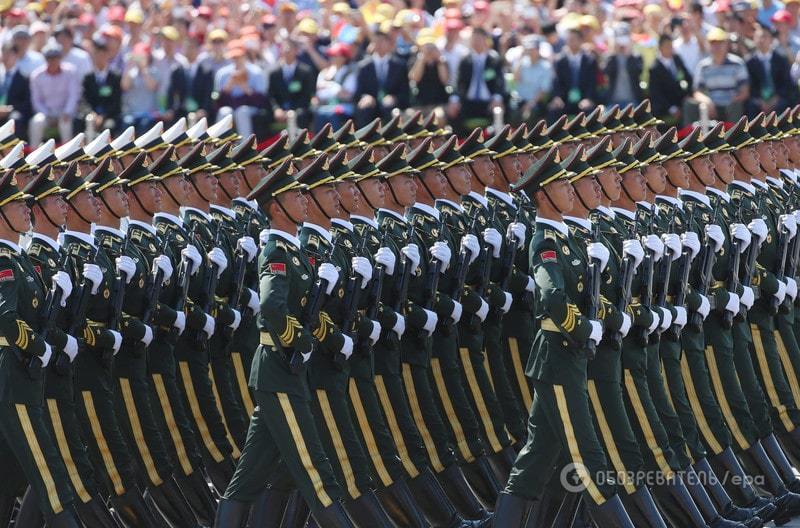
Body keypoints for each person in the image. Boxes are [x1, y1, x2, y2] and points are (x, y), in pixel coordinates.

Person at [451, 27, 507, 132]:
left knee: (499, 112)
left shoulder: (494, 59)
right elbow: (458, 82)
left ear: (486, 40)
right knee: (453, 114)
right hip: (468, 103)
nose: (476, 42)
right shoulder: (465, 60)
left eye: (479, 38)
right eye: (474, 39)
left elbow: (500, 82)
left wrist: (497, 98)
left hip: (488, 103)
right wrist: (454, 99)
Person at [691, 27, 750, 123]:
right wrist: (707, 101)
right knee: (690, 105)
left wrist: (732, 101)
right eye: (712, 43)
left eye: (719, 42)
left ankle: (734, 136)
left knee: (736, 107)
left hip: (732, 105)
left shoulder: (737, 63)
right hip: (711, 107)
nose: (716, 46)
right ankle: (693, 137)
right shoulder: (703, 66)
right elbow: (697, 92)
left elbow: (745, 92)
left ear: (726, 44)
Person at [353, 30, 411, 127]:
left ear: (389, 44)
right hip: (371, 105)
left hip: (390, 105)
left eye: (382, 41)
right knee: (364, 109)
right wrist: (365, 97)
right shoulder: (363, 66)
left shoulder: (399, 65)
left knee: (392, 110)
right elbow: (358, 92)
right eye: (375, 41)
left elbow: (405, 92)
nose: (378, 44)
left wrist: (394, 98)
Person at [29, 43, 80, 146]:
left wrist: (67, 112)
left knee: (65, 124)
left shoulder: (70, 72)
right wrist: (47, 114)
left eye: (55, 58)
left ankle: (67, 156)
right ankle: (33, 155)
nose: (52, 61)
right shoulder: (37, 75)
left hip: (65, 112)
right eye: (49, 58)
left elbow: (73, 95)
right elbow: (36, 100)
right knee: (36, 122)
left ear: (60, 58)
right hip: (46, 112)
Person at [746, 24, 797, 116]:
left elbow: (786, 83)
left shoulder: (781, 60)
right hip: (759, 100)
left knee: (784, 105)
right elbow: (750, 85)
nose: (761, 40)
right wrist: (760, 101)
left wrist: (775, 99)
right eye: (758, 37)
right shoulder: (749, 62)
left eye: (765, 37)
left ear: (771, 40)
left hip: (778, 98)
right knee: (751, 107)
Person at [549, 28, 600, 120]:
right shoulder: (560, 60)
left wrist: (588, 98)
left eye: (573, 39)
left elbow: (592, 82)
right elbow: (557, 81)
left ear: (580, 41)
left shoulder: (590, 60)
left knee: (590, 111)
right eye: (568, 40)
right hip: (565, 99)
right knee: (553, 111)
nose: (570, 42)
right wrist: (558, 97)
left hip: (584, 98)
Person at [267, 38, 317, 130]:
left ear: (296, 51)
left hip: (299, 109)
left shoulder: (305, 71)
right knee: (260, 117)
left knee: (302, 116)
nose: (286, 51)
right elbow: (271, 95)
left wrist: (293, 111)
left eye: (289, 49)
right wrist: (276, 109)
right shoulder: (273, 73)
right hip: (280, 109)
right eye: (284, 49)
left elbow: (307, 95)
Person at [649, 34, 694, 126]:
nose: (670, 49)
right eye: (667, 47)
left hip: (681, 103)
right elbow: (656, 94)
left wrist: (688, 95)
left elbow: (688, 77)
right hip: (664, 108)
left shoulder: (677, 59)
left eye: (671, 46)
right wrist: (672, 109)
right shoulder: (655, 68)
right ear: (660, 48)